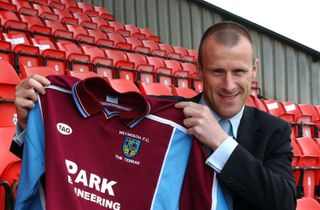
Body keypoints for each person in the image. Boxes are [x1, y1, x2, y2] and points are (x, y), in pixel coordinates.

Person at [12, 21, 296, 210]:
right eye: (217, 71)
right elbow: (95, 156)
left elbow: (283, 201)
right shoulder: (160, 115)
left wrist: (221, 143)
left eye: (239, 72)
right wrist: (32, 123)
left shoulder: (274, 132)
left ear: (254, 69)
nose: (229, 85)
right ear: (199, 70)